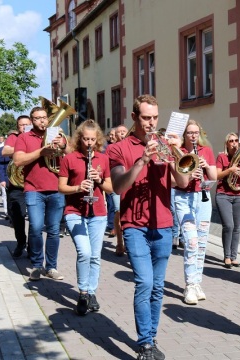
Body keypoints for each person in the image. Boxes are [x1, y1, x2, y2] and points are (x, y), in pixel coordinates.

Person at [107, 94, 189, 360]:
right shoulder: (119, 148)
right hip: (134, 225)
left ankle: (150, 340)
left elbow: (184, 182)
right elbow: (119, 187)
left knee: (157, 287)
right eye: (146, 118)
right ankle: (144, 343)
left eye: (155, 117)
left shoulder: (166, 145)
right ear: (134, 118)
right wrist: (141, 161)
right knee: (144, 282)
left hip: (164, 224)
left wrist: (177, 155)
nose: (151, 123)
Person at [58, 119, 113, 316]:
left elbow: (110, 187)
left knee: (95, 255)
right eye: (85, 139)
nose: (89, 143)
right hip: (75, 211)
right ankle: (82, 292)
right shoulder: (69, 159)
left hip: (98, 212)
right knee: (85, 252)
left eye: (92, 139)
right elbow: (61, 187)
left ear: (97, 139)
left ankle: (91, 292)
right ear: (79, 139)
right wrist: (77, 187)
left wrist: (98, 180)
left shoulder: (103, 159)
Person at [13, 106, 67, 281]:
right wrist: (41, 152)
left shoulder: (57, 133)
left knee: (53, 230)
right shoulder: (24, 137)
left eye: (44, 117)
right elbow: (18, 160)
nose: (42, 121)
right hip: (33, 189)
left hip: (56, 188)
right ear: (32, 120)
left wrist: (64, 146)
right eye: (37, 118)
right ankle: (37, 265)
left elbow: (71, 154)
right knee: (36, 228)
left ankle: (51, 267)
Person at [174, 119, 217, 305]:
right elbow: (174, 181)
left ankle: (197, 282)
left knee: (201, 243)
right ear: (184, 135)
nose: (193, 136)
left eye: (195, 133)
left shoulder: (206, 151)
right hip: (184, 198)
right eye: (189, 133)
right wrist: (190, 174)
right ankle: (189, 284)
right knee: (191, 241)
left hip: (203, 197)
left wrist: (205, 167)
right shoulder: (178, 152)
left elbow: (214, 177)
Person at [3, 115, 32, 258]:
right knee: (17, 216)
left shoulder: (37, 137)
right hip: (16, 184)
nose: (24, 127)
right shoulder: (14, 137)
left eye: (27, 124)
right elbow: (5, 151)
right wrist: (23, 149)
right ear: (18, 126)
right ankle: (21, 242)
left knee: (35, 218)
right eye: (21, 125)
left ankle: (32, 247)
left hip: (34, 183)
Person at [215, 132, 240, 269]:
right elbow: (217, 175)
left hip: (239, 195)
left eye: (236, 140)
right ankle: (227, 256)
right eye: (231, 141)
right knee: (229, 225)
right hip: (223, 195)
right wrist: (230, 170)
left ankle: (234, 257)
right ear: (227, 144)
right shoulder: (222, 157)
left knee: (237, 228)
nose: (234, 143)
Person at [105, 124, 129, 256]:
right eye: (119, 132)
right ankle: (120, 242)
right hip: (116, 183)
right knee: (118, 211)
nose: (122, 134)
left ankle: (128, 242)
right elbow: (106, 163)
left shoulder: (130, 146)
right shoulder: (111, 147)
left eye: (124, 131)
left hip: (130, 184)